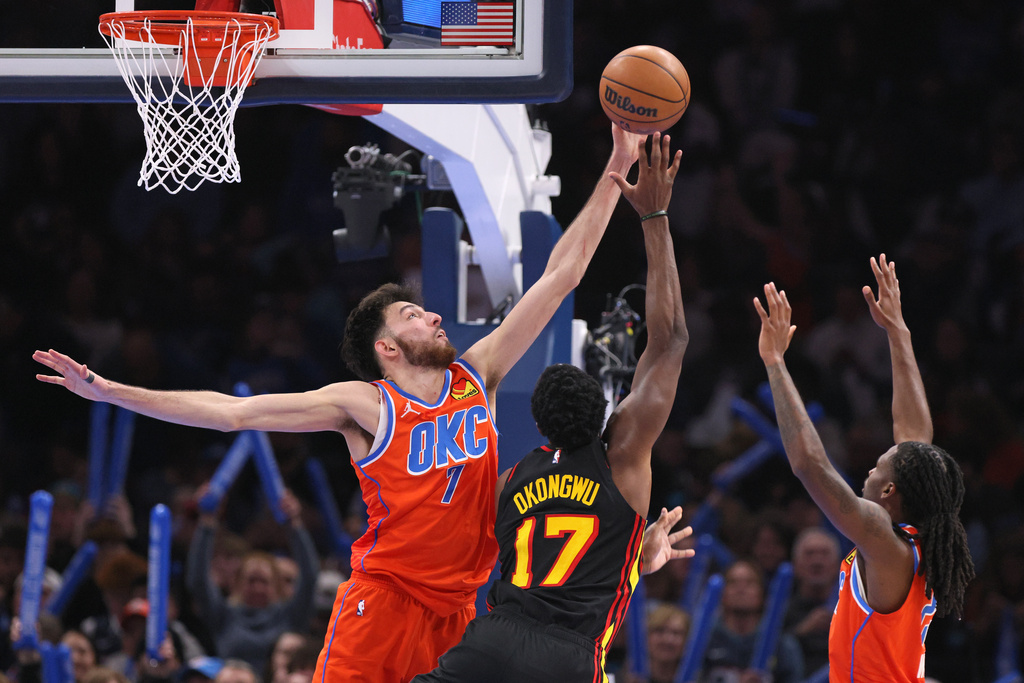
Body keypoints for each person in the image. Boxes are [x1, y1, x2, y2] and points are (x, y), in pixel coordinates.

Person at [33, 122, 647, 683]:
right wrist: (108, 391)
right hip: (385, 599)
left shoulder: (476, 375)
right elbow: (232, 412)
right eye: (414, 314)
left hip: (462, 609)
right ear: (387, 347)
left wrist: (616, 166)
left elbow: (560, 275)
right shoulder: (364, 404)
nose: (435, 315)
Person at [413, 131, 693, 682]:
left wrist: (637, 555)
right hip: (569, 656)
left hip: (491, 640)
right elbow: (669, 342)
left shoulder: (511, 479)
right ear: (607, 412)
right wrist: (655, 216)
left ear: (540, 424)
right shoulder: (624, 460)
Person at [753, 254, 976, 681]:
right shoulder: (918, 543)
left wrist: (776, 364)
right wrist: (898, 331)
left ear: (890, 492)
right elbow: (914, 437)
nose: (867, 475)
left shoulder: (884, 539)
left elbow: (810, 466)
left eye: (877, 467)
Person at [187, 488, 316, 674]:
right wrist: (207, 522)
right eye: (251, 581)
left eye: (264, 582)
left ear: (276, 586)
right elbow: (198, 581)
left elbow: (310, 578)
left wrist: (294, 525)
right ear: (238, 584)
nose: (257, 588)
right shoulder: (224, 616)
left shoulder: (291, 616)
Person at [698, 559, 804, 683]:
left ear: (762, 593)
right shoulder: (704, 639)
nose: (741, 589)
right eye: (733, 582)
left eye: (749, 583)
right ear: (722, 593)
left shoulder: (783, 645)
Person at [782, 527, 841, 674]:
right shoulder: (780, 610)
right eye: (809, 554)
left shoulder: (855, 609)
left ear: (837, 565)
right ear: (796, 564)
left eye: (824, 554)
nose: (817, 561)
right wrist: (802, 631)